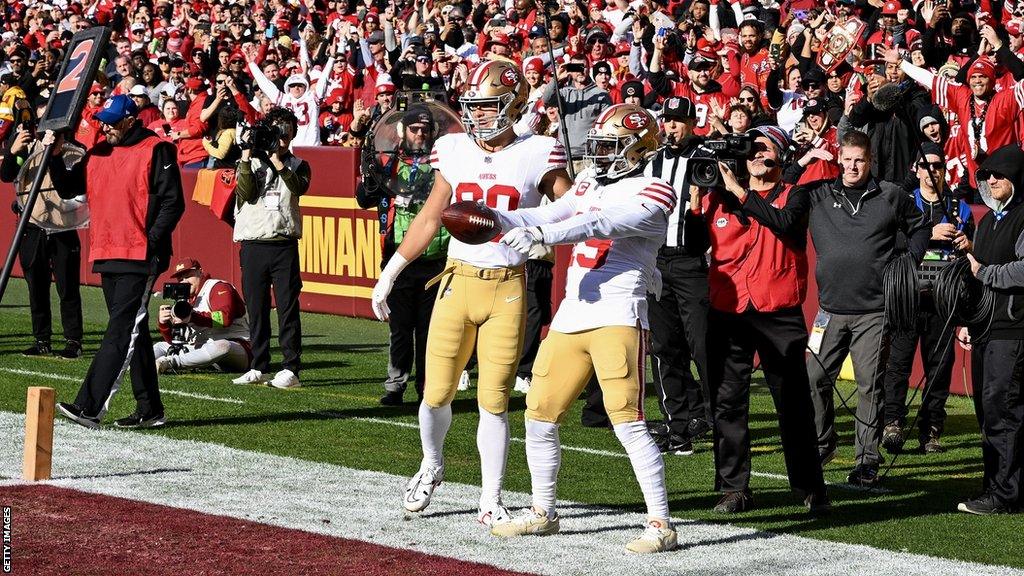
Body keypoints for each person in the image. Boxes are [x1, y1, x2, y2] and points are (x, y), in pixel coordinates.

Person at [371, 60, 572, 526]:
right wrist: (391, 272)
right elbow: (428, 217)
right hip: (457, 280)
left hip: (507, 287)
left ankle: (490, 498)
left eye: (488, 106)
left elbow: (574, 210)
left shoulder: (539, 151)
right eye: (475, 107)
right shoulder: (454, 148)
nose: (479, 115)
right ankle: (431, 463)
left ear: (515, 104)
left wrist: (541, 235)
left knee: (494, 400)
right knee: (435, 393)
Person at [488, 104, 677, 553]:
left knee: (627, 421)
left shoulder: (655, 190)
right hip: (573, 313)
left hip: (618, 313)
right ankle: (543, 511)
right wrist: (494, 218)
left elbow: (598, 223)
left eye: (612, 145)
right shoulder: (592, 183)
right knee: (539, 413)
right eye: (600, 144)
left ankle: (661, 525)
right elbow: (552, 214)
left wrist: (544, 237)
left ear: (640, 147)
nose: (602, 153)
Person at [691, 125, 829, 514]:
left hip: (778, 312)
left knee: (793, 404)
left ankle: (808, 486)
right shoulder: (717, 197)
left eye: (764, 150)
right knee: (727, 402)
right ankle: (734, 488)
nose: (755, 156)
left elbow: (784, 224)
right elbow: (691, 247)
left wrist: (740, 193)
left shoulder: (795, 194)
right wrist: (694, 204)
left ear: (780, 157)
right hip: (728, 311)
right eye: (750, 150)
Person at [50, 95, 185, 429]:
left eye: (111, 121)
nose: (105, 126)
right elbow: (68, 188)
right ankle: (150, 408)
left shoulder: (157, 149)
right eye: (102, 121)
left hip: (139, 254)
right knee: (132, 331)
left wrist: (150, 242)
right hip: (107, 251)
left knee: (120, 330)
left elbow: (173, 203)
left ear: (130, 120)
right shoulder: (97, 152)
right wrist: (54, 156)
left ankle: (89, 406)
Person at [805, 130, 930, 487]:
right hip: (829, 310)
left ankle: (866, 460)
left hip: (875, 310)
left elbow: (920, 225)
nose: (853, 166)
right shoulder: (820, 194)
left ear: (869, 161)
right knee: (813, 377)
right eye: (847, 159)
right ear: (839, 159)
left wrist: (910, 258)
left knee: (869, 387)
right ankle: (823, 442)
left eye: (859, 160)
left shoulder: (891, 195)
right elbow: (786, 193)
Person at [882, 142, 974, 454]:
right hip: (908, 296)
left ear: (944, 170)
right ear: (916, 170)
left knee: (940, 367)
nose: (931, 171)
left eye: (937, 165)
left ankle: (931, 429)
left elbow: (971, 260)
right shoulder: (904, 203)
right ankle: (892, 422)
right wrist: (929, 233)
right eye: (926, 165)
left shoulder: (959, 207)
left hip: (944, 300)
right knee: (898, 364)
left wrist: (967, 242)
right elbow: (890, 243)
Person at [357, 106, 450, 406]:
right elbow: (363, 198)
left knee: (429, 332)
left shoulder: (444, 163)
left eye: (425, 130)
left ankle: (426, 388)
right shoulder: (388, 162)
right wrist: (370, 173)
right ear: (404, 131)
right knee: (400, 328)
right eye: (414, 129)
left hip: (435, 257)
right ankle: (395, 385)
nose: (420, 135)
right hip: (397, 258)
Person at [642, 96, 711, 456]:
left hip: (691, 261)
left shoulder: (705, 157)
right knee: (664, 346)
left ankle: (718, 420)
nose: (671, 127)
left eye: (678, 121)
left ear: (691, 122)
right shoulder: (651, 160)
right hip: (656, 261)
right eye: (667, 121)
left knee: (702, 345)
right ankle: (678, 426)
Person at [959, 143, 1024, 515]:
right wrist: (969, 321)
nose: (993, 179)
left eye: (1000, 174)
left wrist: (986, 272)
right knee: (990, 412)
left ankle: (1004, 494)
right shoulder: (987, 220)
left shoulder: (1022, 216)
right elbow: (975, 276)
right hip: (986, 328)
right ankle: (997, 485)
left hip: (1013, 330)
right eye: (987, 175)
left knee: (1004, 411)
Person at [231, 107, 311, 389]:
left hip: (283, 243)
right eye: (277, 129)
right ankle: (259, 365)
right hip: (253, 243)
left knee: (288, 308)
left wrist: (278, 161)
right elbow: (246, 193)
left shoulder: (299, 164)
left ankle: (291, 368)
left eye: (287, 130)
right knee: (256, 307)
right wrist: (245, 153)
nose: (282, 135)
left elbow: (298, 186)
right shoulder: (251, 163)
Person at [0, 125, 85, 359]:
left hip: (62, 226)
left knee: (68, 287)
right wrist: (11, 151)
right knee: (36, 286)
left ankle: (73, 341)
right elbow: (7, 175)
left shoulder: (75, 150)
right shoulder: (27, 148)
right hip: (31, 225)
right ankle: (42, 339)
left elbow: (72, 186)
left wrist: (55, 152)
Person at [154, 257, 251, 375]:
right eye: (180, 279)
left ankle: (170, 363)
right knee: (160, 346)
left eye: (188, 276)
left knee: (222, 346)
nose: (184, 281)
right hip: (203, 347)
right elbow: (175, 342)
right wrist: (164, 324)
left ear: (200, 271)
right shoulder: (185, 300)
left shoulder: (218, 287)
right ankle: (140, 363)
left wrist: (192, 317)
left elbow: (224, 319)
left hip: (236, 346)